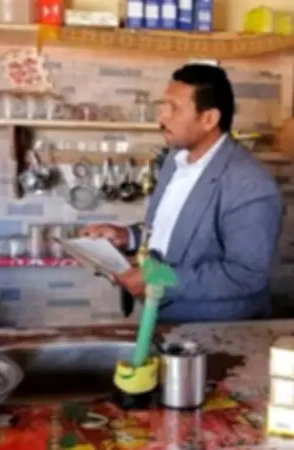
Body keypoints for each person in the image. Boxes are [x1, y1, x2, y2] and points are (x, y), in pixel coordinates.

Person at [81, 64, 282, 323]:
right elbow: (170, 232)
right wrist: (127, 236)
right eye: (162, 105)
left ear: (208, 119)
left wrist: (159, 278)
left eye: (174, 108)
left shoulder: (251, 184)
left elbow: (246, 276)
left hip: (216, 330)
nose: (162, 117)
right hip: (162, 318)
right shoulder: (175, 160)